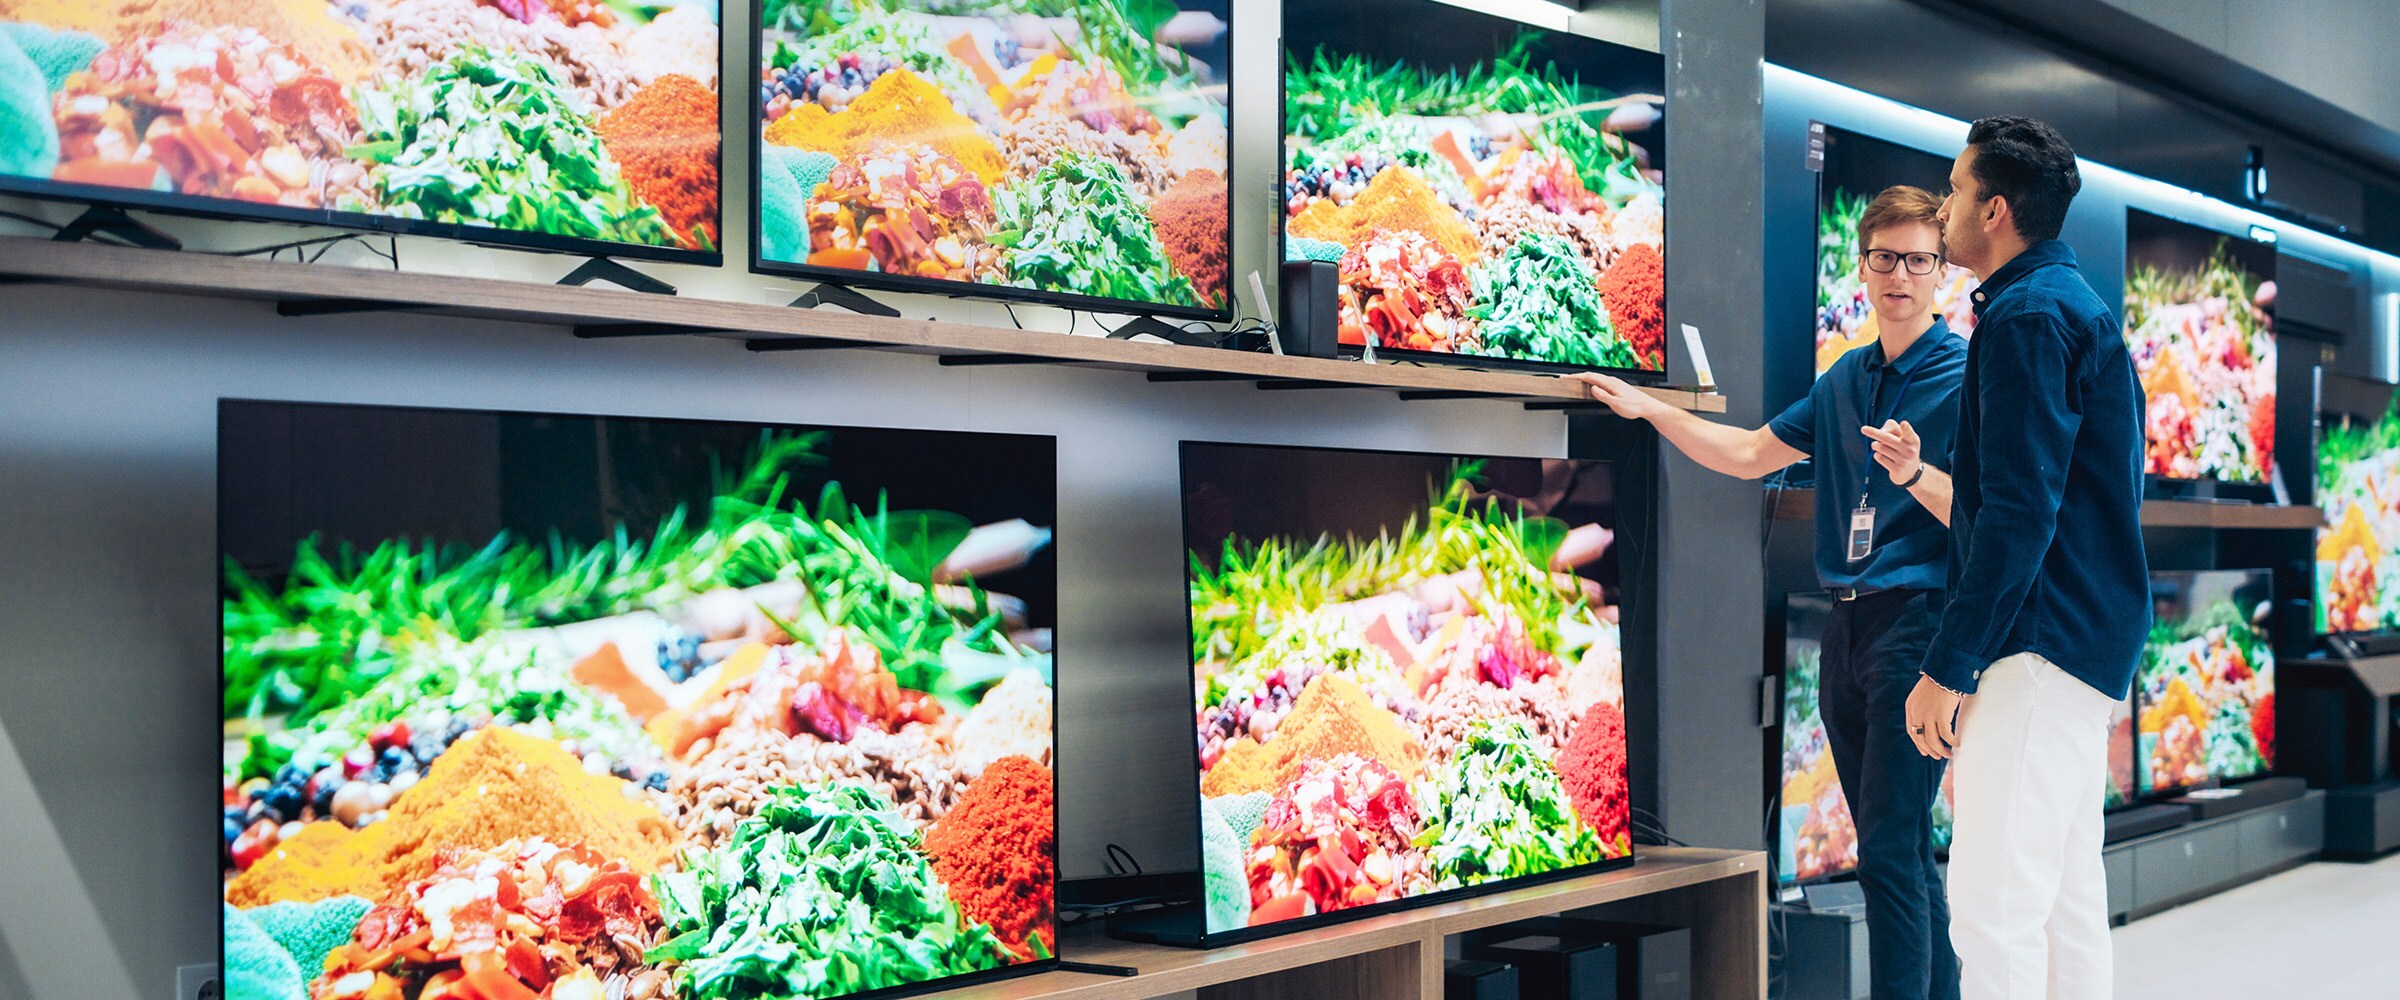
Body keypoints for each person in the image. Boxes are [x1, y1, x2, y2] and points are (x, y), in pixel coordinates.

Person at [1572, 185, 1965, 1000]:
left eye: (1918, 260)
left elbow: (1987, 513)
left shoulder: (1966, 378)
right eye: (1886, 257)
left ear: (1940, 274)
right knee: (1900, 852)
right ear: (1863, 267)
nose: (1900, 275)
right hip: (1846, 631)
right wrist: (1650, 409)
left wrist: (1915, 472)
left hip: (1917, 627)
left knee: (1892, 854)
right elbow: (1750, 453)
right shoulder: (1844, 379)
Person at [1904, 116, 2150, 1000]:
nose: (1945, 206)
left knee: (1993, 907)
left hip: (2039, 643)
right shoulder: (2070, 307)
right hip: (2084, 638)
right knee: (2062, 901)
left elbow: (2017, 512)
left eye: (1957, 190)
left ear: (1996, 210)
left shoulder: (2028, 318)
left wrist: (1949, 663)